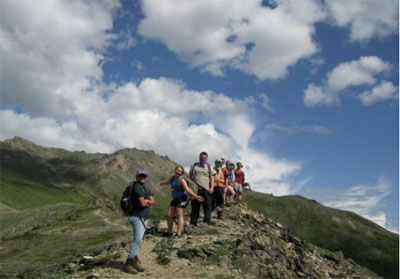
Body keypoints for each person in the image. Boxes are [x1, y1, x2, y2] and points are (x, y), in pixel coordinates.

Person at [124, 168, 155, 274]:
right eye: (141, 176)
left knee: (139, 240)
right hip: (136, 216)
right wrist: (147, 201)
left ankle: (134, 261)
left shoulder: (145, 187)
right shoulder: (136, 187)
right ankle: (129, 262)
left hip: (144, 217)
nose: (143, 177)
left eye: (144, 176)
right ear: (137, 177)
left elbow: (153, 201)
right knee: (137, 240)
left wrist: (147, 201)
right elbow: (142, 203)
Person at [160, 165, 204, 237]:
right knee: (169, 215)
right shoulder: (173, 177)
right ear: (175, 170)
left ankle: (179, 233)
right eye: (177, 170)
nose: (178, 172)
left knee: (179, 215)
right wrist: (163, 183)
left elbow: (187, 189)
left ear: (182, 173)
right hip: (175, 198)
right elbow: (168, 182)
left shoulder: (182, 180)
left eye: (180, 171)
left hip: (182, 198)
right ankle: (170, 232)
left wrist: (196, 196)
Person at [189, 151, 216, 226]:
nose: (203, 159)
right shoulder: (194, 165)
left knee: (207, 206)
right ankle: (193, 223)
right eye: (201, 157)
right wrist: (189, 187)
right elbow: (190, 177)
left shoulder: (209, 166)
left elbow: (212, 178)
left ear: (207, 158)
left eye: (205, 158)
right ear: (199, 157)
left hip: (206, 189)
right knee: (195, 207)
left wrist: (211, 187)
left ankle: (206, 222)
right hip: (195, 189)